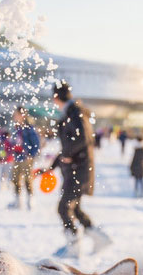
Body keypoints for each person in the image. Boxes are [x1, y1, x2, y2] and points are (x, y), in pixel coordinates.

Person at [43, 80, 111, 258]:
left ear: (56, 97)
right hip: (75, 169)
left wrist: (66, 155)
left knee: (64, 208)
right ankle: (100, 239)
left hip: (78, 170)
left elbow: (84, 139)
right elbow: (69, 146)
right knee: (75, 208)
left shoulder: (76, 113)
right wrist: (52, 167)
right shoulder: (72, 113)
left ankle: (74, 246)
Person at [8, 106, 40, 210]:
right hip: (17, 157)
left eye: (17, 114)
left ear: (23, 115)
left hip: (27, 158)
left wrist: (31, 154)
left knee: (27, 179)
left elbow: (36, 143)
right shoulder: (16, 128)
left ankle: (30, 200)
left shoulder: (28, 129)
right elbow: (14, 142)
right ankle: (17, 201)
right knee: (15, 179)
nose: (15, 117)